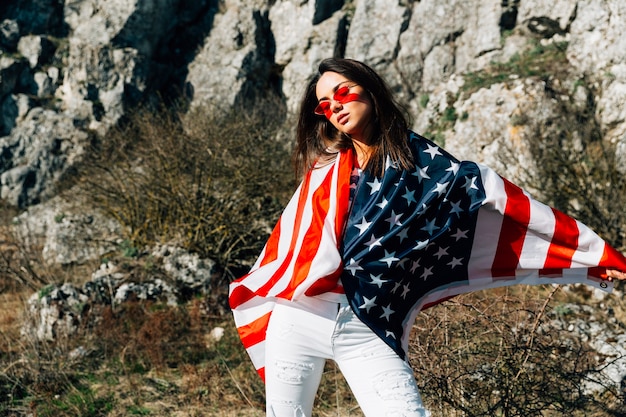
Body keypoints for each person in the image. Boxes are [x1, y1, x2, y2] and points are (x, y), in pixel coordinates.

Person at [229, 57, 626, 417]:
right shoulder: (324, 173)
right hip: (299, 317)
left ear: (371, 90)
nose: (335, 106)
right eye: (324, 104)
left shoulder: (423, 164)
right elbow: (288, 247)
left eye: (343, 92)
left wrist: (592, 256)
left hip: (367, 325)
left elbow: (499, 200)